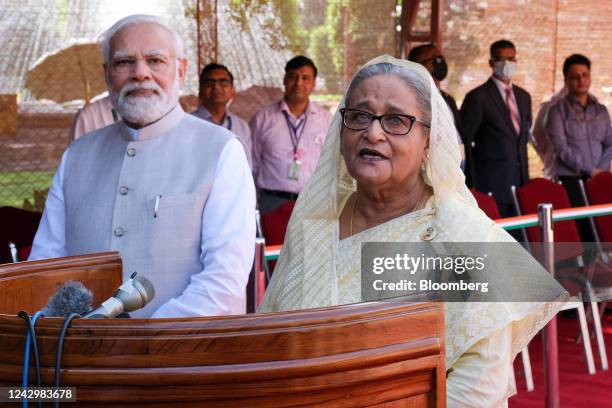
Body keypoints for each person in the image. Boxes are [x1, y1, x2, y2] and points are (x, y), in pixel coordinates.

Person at [260, 55, 565, 407]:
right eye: (359, 116)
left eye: (395, 120)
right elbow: (272, 346)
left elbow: (477, 390)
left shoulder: (462, 237)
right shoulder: (315, 227)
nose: (373, 132)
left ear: (428, 142)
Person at [29, 15, 256, 318]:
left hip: (182, 358)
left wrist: (147, 341)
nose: (140, 73)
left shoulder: (221, 150)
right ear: (107, 73)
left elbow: (225, 280)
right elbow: (44, 265)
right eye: (124, 62)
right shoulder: (77, 155)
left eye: (155, 60)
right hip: (76, 356)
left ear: (181, 69)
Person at [250, 55, 332, 214]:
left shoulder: (326, 120)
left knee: (310, 241)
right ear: (284, 80)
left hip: (312, 203)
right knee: (275, 241)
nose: (299, 83)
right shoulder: (263, 119)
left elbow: (331, 164)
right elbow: (252, 164)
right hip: (272, 202)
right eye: (293, 77)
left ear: (313, 83)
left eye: (305, 78)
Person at [461, 39, 532, 218]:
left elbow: (522, 139)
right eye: (501, 59)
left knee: (520, 239)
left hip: (521, 183)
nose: (507, 64)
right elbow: (465, 142)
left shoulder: (524, 97)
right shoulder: (478, 97)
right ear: (491, 63)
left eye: (511, 58)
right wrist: (471, 183)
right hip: (491, 184)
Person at [546, 53, 612, 241]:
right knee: (582, 227)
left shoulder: (601, 110)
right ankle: (585, 268)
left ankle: (603, 264)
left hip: (600, 177)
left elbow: (609, 143)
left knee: (604, 224)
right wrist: (590, 170)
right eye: (575, 76)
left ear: (590, 77)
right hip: (572, 178)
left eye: (584, 75)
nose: (581, 80)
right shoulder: (557, 111)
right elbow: (561, 148)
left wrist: (600, 171)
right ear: (566, 80)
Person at [408, 43, 468, 177]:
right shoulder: (412, 98)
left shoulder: (447, 99)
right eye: (434, 58)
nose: (440, 61)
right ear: (418, 65)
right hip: (429, 174)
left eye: (441, 56)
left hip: (456, 173)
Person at [192, 63, 252, 163]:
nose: (216, 87)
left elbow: (247, 163)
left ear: (232, 91)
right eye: (209, 83)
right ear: (200, 91)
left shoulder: (242, 126)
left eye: (223, 83)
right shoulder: (187, 124)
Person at [531, 87, 568, 180]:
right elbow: (536, 137)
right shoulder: (549, 105)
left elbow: (536, 138)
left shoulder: (592, 105)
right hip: (556, 170)